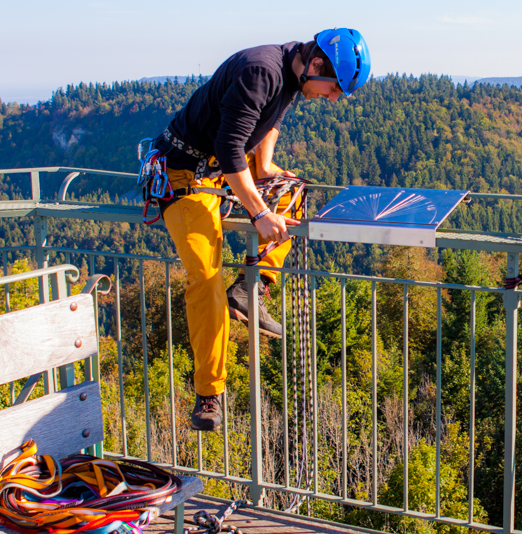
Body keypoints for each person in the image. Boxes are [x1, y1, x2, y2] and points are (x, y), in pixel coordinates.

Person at [153, 29, 370, 431]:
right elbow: (232, 145)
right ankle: (208, 392)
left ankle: (251, 291)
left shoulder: (290, 71)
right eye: (335, 87)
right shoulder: (261, 70)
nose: (334, 97)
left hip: (219, 169)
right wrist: (258, 212)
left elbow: (269, 120)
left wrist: (267, 169)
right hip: (184, 175)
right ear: (317, 65)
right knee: (205, 277)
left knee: (292, 189)